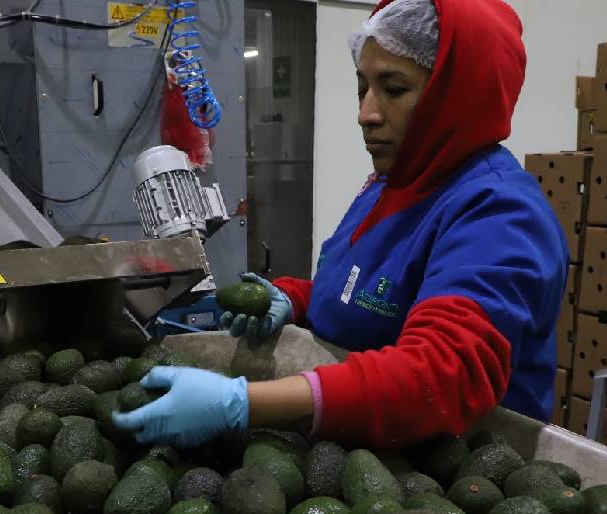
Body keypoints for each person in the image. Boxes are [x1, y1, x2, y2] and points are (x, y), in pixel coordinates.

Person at [114, 0, 566, 450]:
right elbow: (368, 294)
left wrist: (243, 402)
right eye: (362, 87)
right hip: (372, 448)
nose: (366, 113)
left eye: (393, 88)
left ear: (457, 96)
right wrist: (293, 299)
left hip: (461, 475)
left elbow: (441, 374)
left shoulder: (500, 213)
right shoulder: (393, 183)